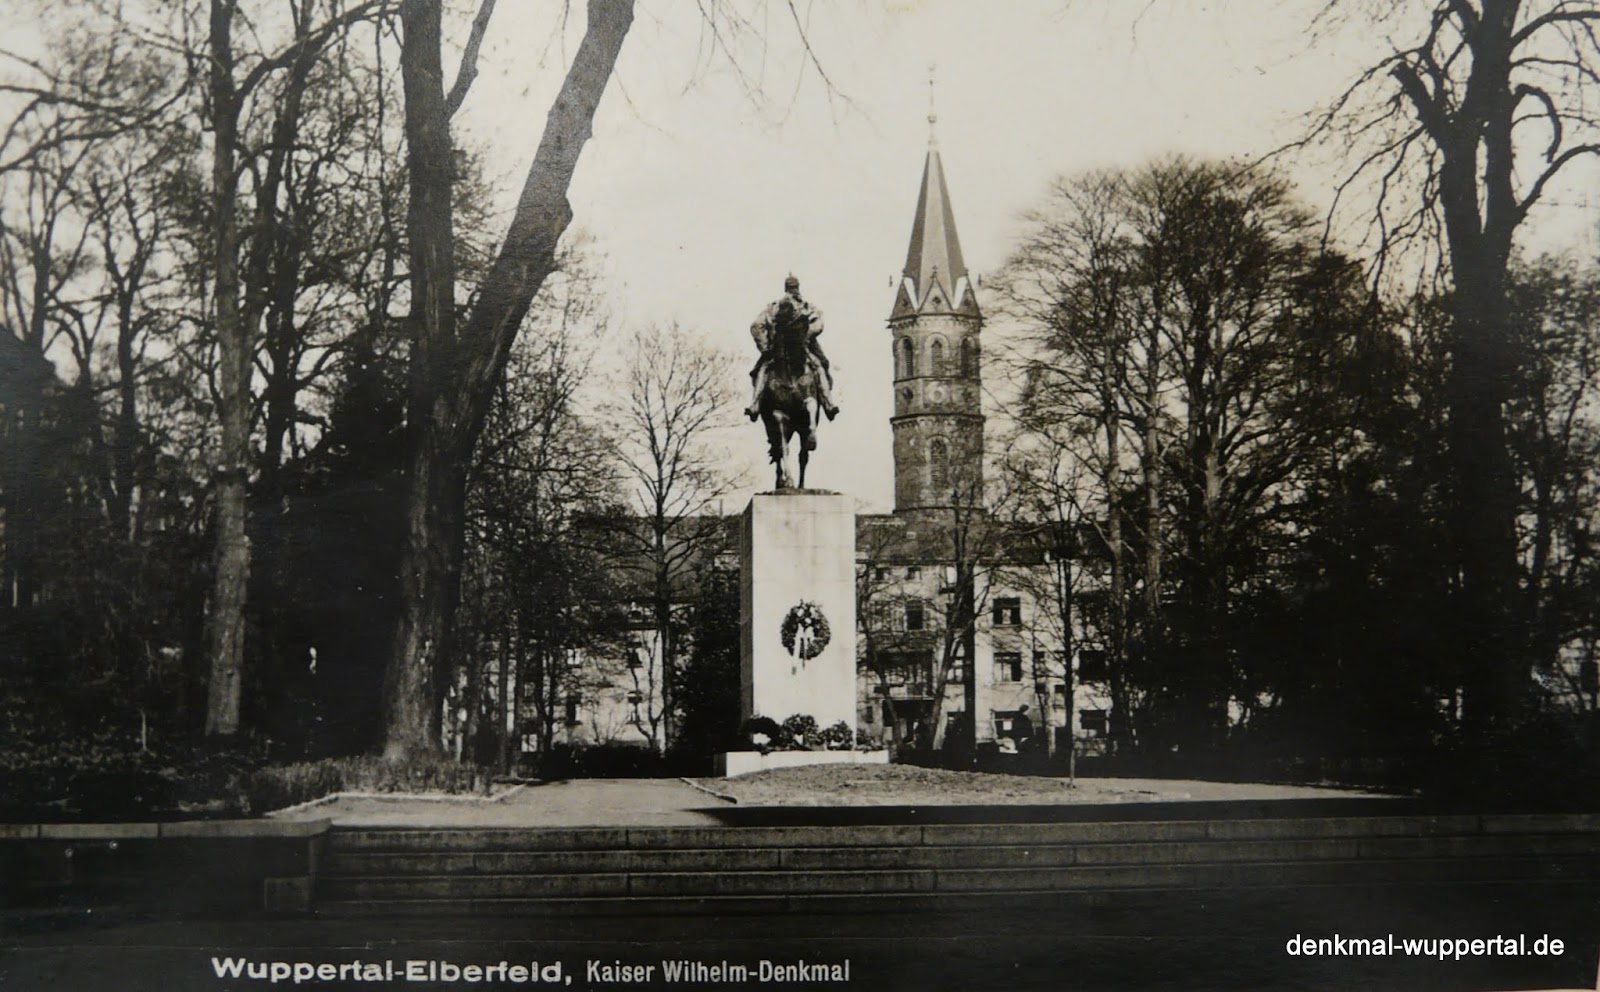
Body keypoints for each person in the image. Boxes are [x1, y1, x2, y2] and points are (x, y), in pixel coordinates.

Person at [746, 274, 840, 422]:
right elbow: (756, 326)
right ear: (786, 289)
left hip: (804, 346)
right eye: (791, 288)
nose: (793, 291)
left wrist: (806, 335)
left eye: (795, 287)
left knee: (820, 366)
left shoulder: (808, 307)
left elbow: (818, 324)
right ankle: (755, 405)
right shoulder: (773, 308)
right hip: (777, 347)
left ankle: (828, 403)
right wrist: (765, 347)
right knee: (762, 370)